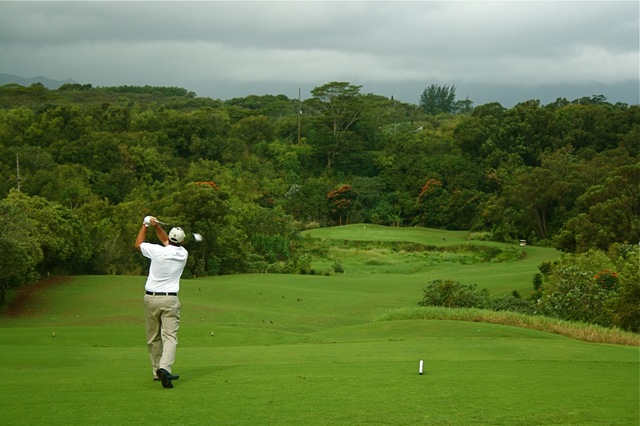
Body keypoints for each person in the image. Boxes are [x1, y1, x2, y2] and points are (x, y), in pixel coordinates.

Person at [135, 216, 188, 389]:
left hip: (151, 298)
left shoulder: (156, 251)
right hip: (170, 299)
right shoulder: (183, 254)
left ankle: (156, 371)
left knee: (153, 337)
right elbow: (166, 240)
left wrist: (146, 225)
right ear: (182, 241)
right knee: (170, 336)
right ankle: (164, 368)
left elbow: (139, 243)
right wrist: (157, 226)